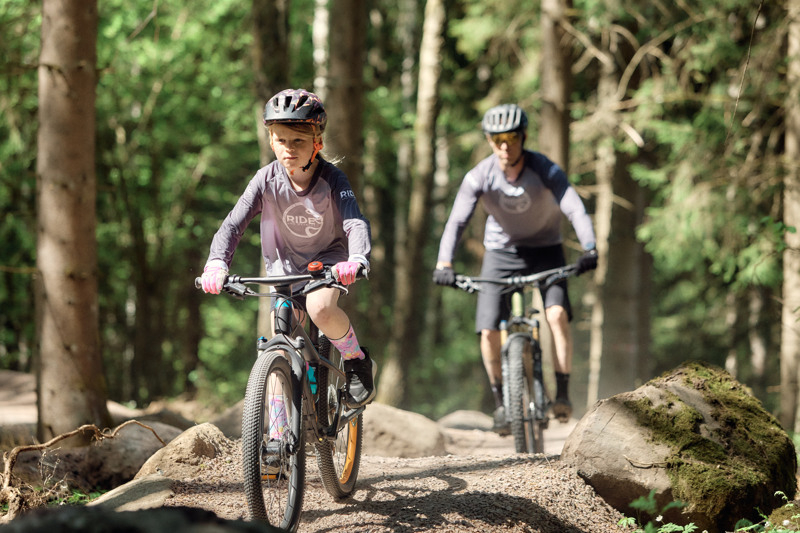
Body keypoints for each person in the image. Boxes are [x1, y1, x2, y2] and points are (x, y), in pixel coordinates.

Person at [200, 88, 377, 413]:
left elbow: (355, 222)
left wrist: (357, 258)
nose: (289, 149)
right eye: (281, 140)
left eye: (298, 141)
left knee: (320, 308)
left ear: (317, 142)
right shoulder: (265, 179)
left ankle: (356, 359)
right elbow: (232, 225)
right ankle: (278, 438)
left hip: (327, 264)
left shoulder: (333, 179)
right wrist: (216, 264)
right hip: (283, 268)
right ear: (271, 141)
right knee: (278, 345)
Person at [432, 103, 597, 430]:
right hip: (501, 253)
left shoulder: (545, 169)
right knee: (489, 330)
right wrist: (444, 262)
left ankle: (562, 393)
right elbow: (456, 221)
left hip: (546, 249)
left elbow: (575, 208)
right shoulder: (480, 175)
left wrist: (590, 247)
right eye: (496, 140)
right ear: (489, 141)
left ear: (523, 137)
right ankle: (502, 404)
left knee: (557, 315)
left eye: (511, 138)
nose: (504, 146)